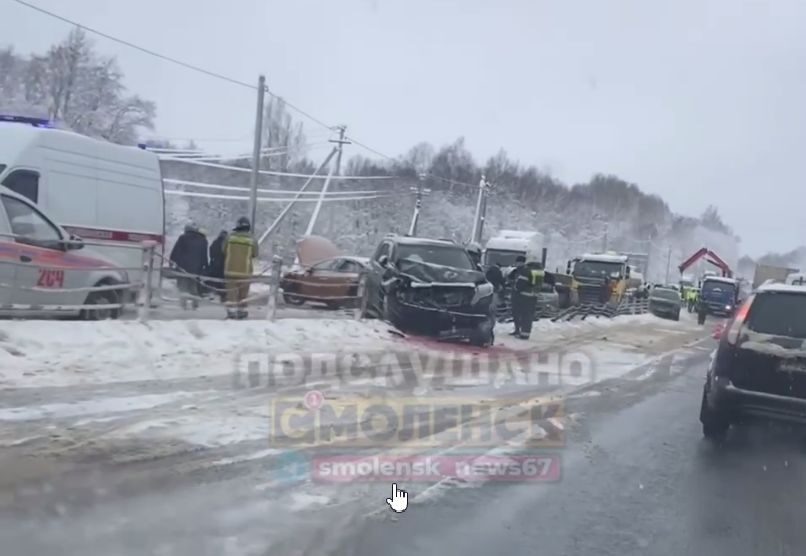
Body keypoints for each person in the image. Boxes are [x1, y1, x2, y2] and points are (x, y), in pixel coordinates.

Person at [509, 256, 555, 339]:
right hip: (533, 296)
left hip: (523, 296)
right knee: (528, 315)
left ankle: (521, 333)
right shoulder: (540, 271)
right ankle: (525, 333)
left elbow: (520, 284)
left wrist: (515, 288)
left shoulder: (526, 271)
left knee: (522, 314)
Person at [223, 216, 259, 319]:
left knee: (231, 294)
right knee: (243, 295)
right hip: (245, 271)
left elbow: (223, 250)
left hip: (230, 270)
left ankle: (231, 313)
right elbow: (255, 254)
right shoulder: (252, 239)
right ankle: (242, 313)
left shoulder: (229, 237)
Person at [169, 223, 208, 309]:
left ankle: (183, 306)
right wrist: (204, 267)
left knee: (183, 287)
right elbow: (204, 256)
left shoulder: (183, 238)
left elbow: (176, 252)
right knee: (193, 287)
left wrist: (171, 262)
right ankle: (195, 304)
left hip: (183, 267)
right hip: (196, 269)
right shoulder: (202, 240)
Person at [207, 230, 228, 302]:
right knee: (223, 282)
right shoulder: (227, 244)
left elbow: (211, 251)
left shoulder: (215, 242)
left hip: (214, 264)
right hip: (223, 265)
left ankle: (212, 293)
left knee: (213, 280)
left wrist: (213, 259)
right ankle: (223, 297)